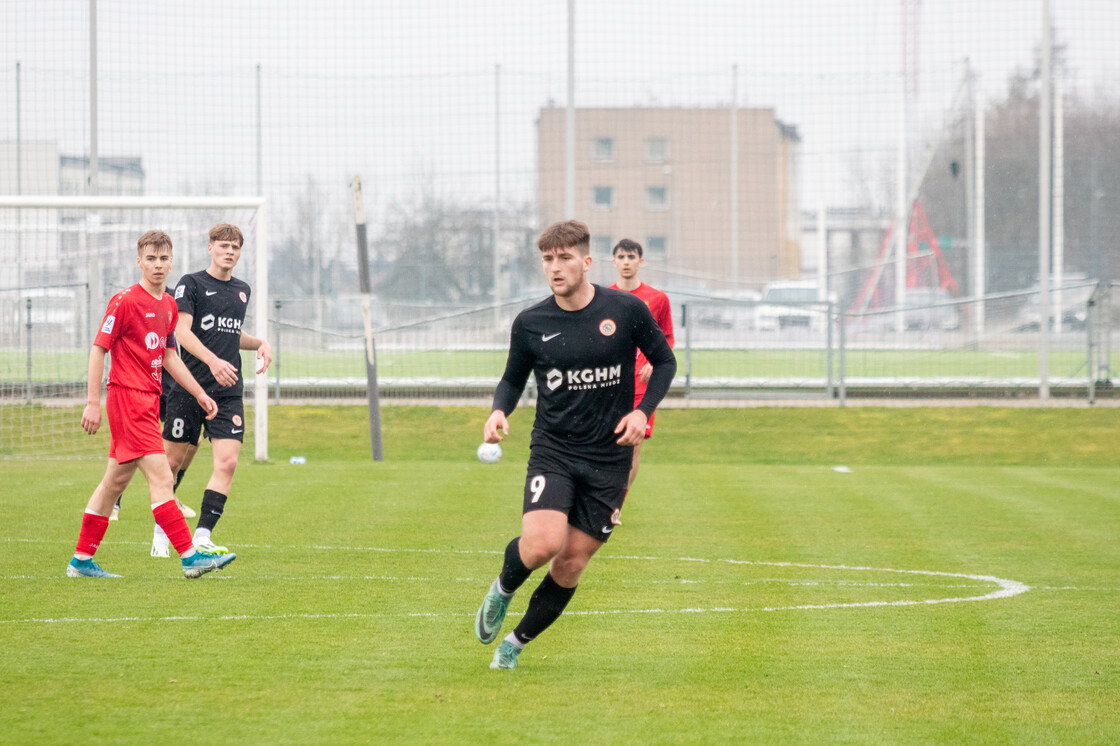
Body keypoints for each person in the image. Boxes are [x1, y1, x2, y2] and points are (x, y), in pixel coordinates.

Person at [474, 220, 676, 670]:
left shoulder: (625, 310)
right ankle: (504, 589)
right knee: (542, 545)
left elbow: (664, 362)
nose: (554, 267)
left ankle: (515, 644)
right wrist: (498, 410)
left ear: (586, 262)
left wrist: (642, 412)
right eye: (547, 259)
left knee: (570, 564)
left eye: (564, 258)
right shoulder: (531, 323)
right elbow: (512, 378)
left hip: (609, 458)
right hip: (555, 450)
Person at [67, 230, 237, 579]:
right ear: (139, 261)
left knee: (114, 483)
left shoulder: (169, 305)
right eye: (151, 259)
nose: (158, 265)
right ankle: (190, 557)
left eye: (164, 259)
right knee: (162, 477)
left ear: (171, 261)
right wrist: (91, 402)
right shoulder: (125, 301)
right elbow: (99, 349)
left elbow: (170, 355)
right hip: (126, 399)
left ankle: (81, 561)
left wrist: (199, 392)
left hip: (148, 399)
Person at [150, 223, 272, 557]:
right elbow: (181, 331)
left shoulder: (242, 290)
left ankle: (202, 535)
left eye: (235, 247)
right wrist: (212, 360)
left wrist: (259, 342)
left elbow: (232, 334)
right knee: (172, 462)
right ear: (210, 248)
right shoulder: (191, 284)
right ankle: (163, 526)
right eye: (223, 245)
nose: (229, 251)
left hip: (227, 390)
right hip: (188, 387)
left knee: (228, 462)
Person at [607, 238, 675, 523]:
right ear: (613, 261)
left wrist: (651, 362)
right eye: (621, 256)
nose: (626, 261)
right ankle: (595, 498)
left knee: (633, 445)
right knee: (605, 444)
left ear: (640, 261)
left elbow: (667, 339)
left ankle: (615, 505)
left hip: (641, 387)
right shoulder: (602, 297)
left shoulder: (657, 299)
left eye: (631, 256)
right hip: (609, 384)